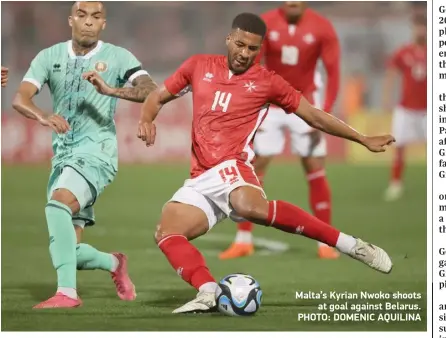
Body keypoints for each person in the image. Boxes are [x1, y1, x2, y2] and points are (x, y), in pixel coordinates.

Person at [138, 12, 394, 314]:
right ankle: (207, 291)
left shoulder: (267, 82)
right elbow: (157, 96)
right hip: (200, 177)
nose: (245, 54)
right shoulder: (198, 66)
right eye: (241, 45)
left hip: (233, 166)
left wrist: (362, 138)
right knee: (166, 233)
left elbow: (313, 115)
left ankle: (350, 245)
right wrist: (146, 119)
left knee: (249, 207)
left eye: (253, 49)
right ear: (229, 39)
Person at [12, 1, 157, 309]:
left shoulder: (118, 57)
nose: (89, 22)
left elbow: (150, 89)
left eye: (96, 16)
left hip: (98, 154)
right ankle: (114, 263)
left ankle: (67, 294)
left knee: (57, 205)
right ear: (71, 20)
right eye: (82, 15)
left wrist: (111, 91)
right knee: (68, 250)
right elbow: (21, 97)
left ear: (104, 23)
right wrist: (42, 115)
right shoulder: (49, 57)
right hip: (63, 157)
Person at [219, 2, 341, 260]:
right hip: (270, 104)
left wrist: (325, 112)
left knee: (314, 165)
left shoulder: (323, 27)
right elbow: (251, 65)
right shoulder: (264, 24)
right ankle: (243, 240)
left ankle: (326, 243)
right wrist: (249, 105)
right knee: (254, 167)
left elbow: (333, 72)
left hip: (305, 102)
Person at [382, 16, 427, 201]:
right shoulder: (404, 52)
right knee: (398, 146)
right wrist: (386, 98)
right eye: (418, 27)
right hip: (406, 109)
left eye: (424, 28)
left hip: (428, 111)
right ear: (413, 29)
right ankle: (395, 184)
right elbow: (391, 74)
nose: (421, 31)